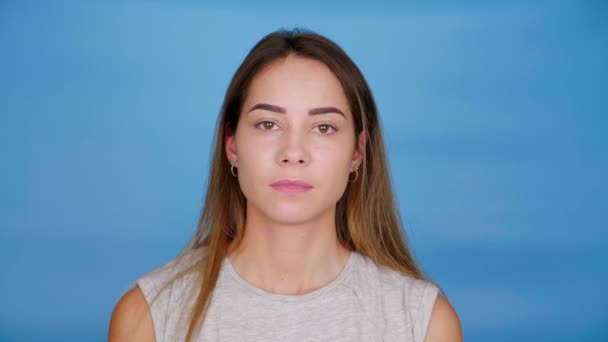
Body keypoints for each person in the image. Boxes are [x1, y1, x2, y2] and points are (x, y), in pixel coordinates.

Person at [109, 28, 462, 342]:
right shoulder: (150, 318)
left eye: (324, 127)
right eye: (268, 124)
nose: (293, 153)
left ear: (357, 152)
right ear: (231, 145)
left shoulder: (423, 323)